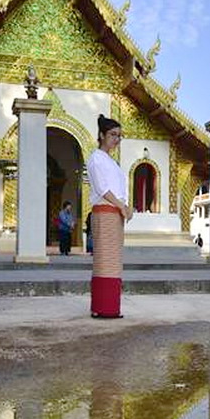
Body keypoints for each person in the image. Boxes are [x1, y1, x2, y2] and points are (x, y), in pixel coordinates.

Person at [86, 115, 133, 318]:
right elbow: (103, 188)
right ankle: (102, 307)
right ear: (102, 135)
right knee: (104, 262)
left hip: (116, 214)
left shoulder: (111, 162)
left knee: (114, 263)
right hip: (105, 213)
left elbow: (120, 187)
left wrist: (126, 207)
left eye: (119, 136)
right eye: (113, 134)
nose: (116, 139)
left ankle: (111, 306)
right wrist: (122, 206)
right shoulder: (96, 158)